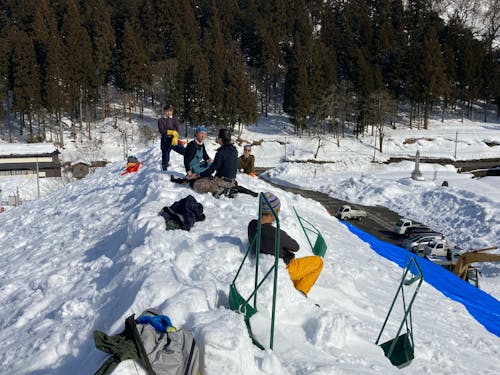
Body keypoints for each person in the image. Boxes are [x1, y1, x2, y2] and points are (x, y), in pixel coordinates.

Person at [247, 192, 323, 297]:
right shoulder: (276, 233)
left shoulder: (252, 224)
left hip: (263, 264)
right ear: (272, 214)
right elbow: (296, 247)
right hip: (284, 268)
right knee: (318, 262)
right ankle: (300, 292)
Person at [188, 128, 238, 197]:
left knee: (195, 184)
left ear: (220, 139)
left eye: (218, 137)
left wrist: (197, 175)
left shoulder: (221, 152)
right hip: (232, 181)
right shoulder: (234, 150)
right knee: (206, 178)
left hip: (222, 181)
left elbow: (212, 169)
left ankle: (221, 191)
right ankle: (226, 188)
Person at [158, 103, 185, 171]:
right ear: (164, 111)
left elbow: (177, 129)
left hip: (174, 140)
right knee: (165, 155)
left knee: (184, 151)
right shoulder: (161, 120)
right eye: (167, 111)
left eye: (170, 111)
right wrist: (171, 132)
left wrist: (175, 137)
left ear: (172, 111)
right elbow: (162, 130)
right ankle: (164, 168)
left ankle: (189, 163)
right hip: (165, 140)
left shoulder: (174, 120)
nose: (168, 113)